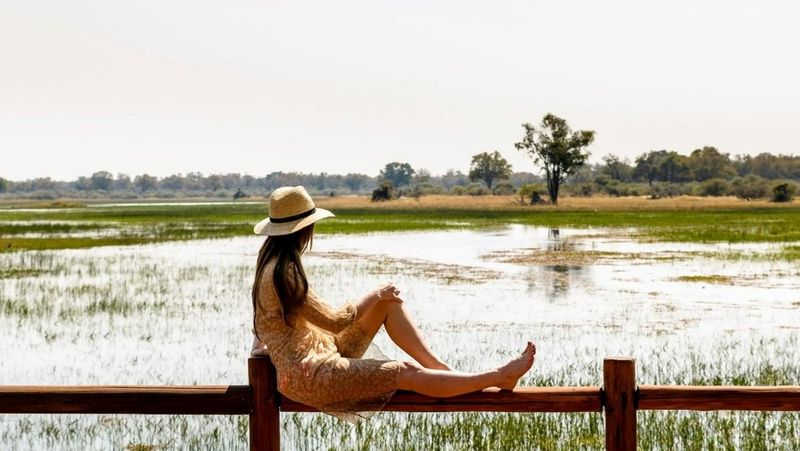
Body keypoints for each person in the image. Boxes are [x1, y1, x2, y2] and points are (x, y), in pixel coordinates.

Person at [250, 186, 536, 421]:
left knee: (388, 305)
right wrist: (375, 292)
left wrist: (266, 349)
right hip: (312, 376)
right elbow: (336, 321)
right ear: (303, 230)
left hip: (317, 356)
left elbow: (263, 328)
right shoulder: (283, 273)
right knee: (405, 371)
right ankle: (499, 376)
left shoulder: (271, 265)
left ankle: (443, 371)